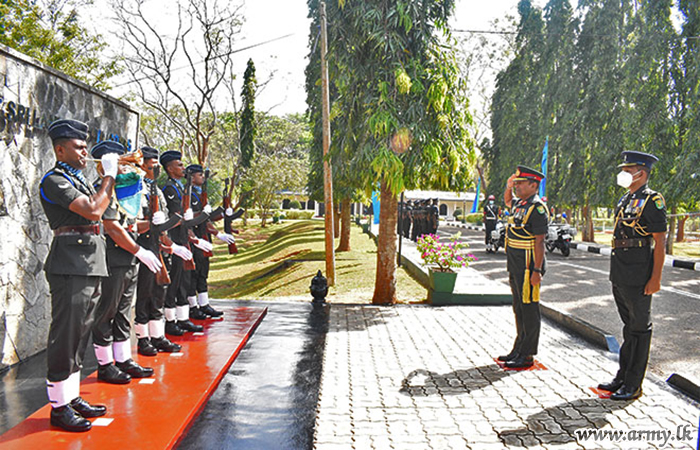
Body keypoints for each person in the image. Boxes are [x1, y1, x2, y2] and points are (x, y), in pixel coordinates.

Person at [39, 119, 118, 432]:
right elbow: (94, 211)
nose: (85, 151)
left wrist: (107, 179)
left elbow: (103, 213)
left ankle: (70, 396)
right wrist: (109, 177)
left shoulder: (79, 179)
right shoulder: (54, 180)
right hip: (70, 265)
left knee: (81, 334)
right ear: (60, 149)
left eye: (86, 146)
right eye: (78, 146)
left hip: (88, 263)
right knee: (66, 334)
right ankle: (58, 407)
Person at [598, 151, 666, 401]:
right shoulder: (626, 199)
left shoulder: (652, 200)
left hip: (640, 273)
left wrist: (655, 278)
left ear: (642, 173)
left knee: (640, 329)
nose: (624, 174)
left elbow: (660, 242)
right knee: (629, 328)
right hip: (621, 270)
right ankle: (622, 377)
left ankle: (634, 384)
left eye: (628, 170)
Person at [91, 142, 159, 384]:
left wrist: (154, 223)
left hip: (128, 257)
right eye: (122, 162)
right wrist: (139, 250)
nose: (127, 166)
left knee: (122, 311)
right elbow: (111, 227)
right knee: (107, 311)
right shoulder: (103, 190)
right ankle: (104, 364)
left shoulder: (124, 190)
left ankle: (122, 359)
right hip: (113, 257)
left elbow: (131, 225)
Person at [134, 147, 189, 355]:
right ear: (143, 165)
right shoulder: (137, 188)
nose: (156, 167)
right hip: (145, 247)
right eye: (152, 163)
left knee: (159, 293)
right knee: (145, 294)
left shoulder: (156, 190)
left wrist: (171, 246)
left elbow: (164, 222)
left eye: (157, 163)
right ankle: (143, 339)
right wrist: (151, 223)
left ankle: (158, 336)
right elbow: (133, 223)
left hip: (160, 247)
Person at [498, 165, 548, 369]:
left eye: (520, 183)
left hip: (529, 265)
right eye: (516, 183)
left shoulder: (537, 208)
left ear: (533, 185)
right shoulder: (521, 204)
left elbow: (540, 242)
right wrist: (508, 187)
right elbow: (508, 201)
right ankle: (518, 347)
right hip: (515, 263)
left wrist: (537, 271)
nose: (517, 186)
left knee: (529, 309)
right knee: (518, 307)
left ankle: (527, 354)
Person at [160, 151, 204, 335]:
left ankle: (183, 318)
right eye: (179, 164)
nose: (183, 167)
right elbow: (174, 216)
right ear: (170, 168)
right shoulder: (170, 188)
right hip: (174, 238)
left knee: (184, 280)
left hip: (184, 237)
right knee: (175, 280)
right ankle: (170, 321)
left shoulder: (182, 187)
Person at [185, 164, 231, 319]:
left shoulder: (198, 193)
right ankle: (193, 307)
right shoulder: (188, 194)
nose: (202, 178)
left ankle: (204, 304)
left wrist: (222, 214)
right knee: (193, 273)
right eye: (200, 175)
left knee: (203, 272)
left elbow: (207, 218)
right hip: (194, 238)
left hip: (204, 237)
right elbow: (191, 217)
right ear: (191, 177)